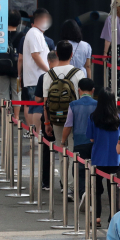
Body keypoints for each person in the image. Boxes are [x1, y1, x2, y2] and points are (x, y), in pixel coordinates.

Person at [87, 89, 120, 227]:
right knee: (114, 190)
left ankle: (96, 217)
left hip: (98, 158)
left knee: (95, 190)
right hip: (115, 158)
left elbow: (91, 138)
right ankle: (113, 217)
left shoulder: (92, 117)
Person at [37, 40, 85, 133]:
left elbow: (46, 102)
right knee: (72, 145)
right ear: (71, 54)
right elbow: (81, 98)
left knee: (59, 145)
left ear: (57, 54)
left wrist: (47, 123)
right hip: (74, 117)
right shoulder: (79, 73)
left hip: (56, 116)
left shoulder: (48, 75)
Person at [62, 78, 97, 195]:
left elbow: (68, 125)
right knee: (95, 168)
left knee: (79, 169)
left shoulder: (73, 105)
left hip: (79, 141)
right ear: (93, 90)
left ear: (79, 90)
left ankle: (82, 193)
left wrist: (63, 141)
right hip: (95, 142)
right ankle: (93, 191)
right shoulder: (97, 105)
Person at [21, 8, 52, 127]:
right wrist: (48, 71)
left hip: (36, 77)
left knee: (35, 107)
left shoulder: (36, 33)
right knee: (38, 107)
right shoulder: (34, 33)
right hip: (36, 78)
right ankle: (38, 135)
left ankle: (36, 136)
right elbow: (35, 55)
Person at [32, 51, 58, 191]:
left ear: (48, 61)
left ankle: (46, 182)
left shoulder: (44, 77)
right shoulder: (69, 75)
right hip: (66, 118)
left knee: (47, 150)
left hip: (48, 118)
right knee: (67, 151)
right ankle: (66, 185)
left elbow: (37, 99)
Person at [0, 10, 25, 120]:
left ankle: (6, 117)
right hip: (16, 69)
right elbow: (23, 54)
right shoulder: (22, 36)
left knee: (3, 93)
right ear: (19, 22)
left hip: (2, 67)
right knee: (17, 92)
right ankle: (16, 117)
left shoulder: (0, 35)